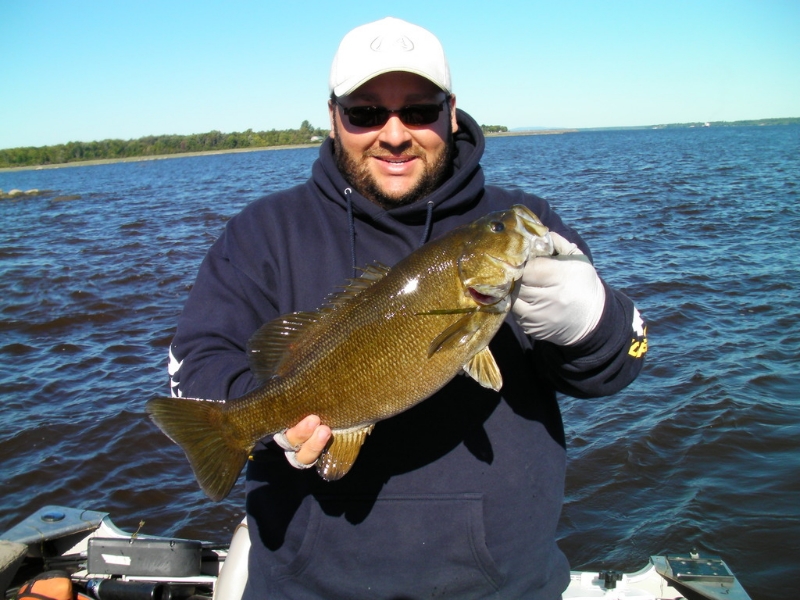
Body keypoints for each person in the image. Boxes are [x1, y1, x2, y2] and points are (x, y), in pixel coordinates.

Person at [168, 17, 647, 599]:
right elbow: (196, 362)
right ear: (333, 116)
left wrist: (590, 325)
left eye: (418, 110)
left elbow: (619, 366)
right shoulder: (262, 233)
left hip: (500, 588)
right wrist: (267, 424)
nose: (394, 134)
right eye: (366, 113)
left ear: (451, 110)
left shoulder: (526, 216)